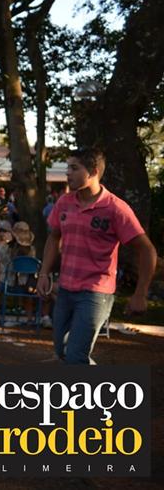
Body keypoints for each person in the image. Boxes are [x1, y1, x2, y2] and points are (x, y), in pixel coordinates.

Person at [38, 147, 157, 364]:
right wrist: (44, 273)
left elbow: (147, 250)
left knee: (76, 356)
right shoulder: (64, 203)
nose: (68, 173)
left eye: (74, 168)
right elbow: (53, 238)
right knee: (62, 352)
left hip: (95, 293)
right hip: (65, 289)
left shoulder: (116, 208)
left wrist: (140, 293)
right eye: (68, 168)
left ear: (93, 172)